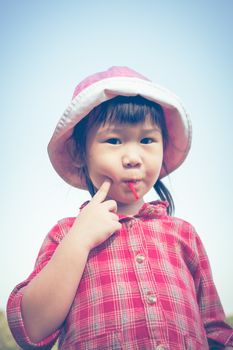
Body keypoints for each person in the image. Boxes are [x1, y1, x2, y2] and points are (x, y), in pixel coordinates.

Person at [7, 66, 233, 350]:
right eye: (114, 140)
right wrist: (79, 242)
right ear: (79, 152)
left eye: (147, 140)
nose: (132, 158)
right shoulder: (66, 234)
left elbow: (217, 333)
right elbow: (32, 330)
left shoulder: (184, 235)